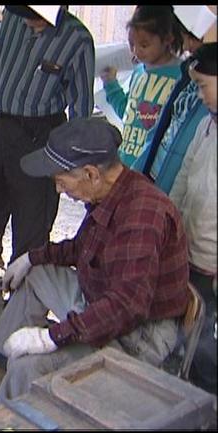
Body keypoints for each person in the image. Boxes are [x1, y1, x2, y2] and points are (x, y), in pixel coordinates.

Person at [0, 118, 189, 405]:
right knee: (36, 273)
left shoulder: (142, 215)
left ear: (91, 173)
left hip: (136, 335)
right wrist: (32, 257)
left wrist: (51, 338)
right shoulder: (110, 191)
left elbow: (126, 308)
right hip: (100, 296)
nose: (58, 189)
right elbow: (83, 249)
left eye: (60, 180)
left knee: (27, 367)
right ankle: (1, 348)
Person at [0, 5, 95, 268]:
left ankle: (24, 290)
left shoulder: (77, 39)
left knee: (32, 218)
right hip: (1, 124)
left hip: (41, 134)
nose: (29, 22)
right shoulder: (13, 18)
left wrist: (74, 153)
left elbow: (81, 104)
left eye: (36, 17)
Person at [168, 42, 217, 395]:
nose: (200, 95)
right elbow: (184, 175)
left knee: (210, 349)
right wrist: (170, 223)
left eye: (203, 86)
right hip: (191, 253)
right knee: (190, 336)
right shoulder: (207, 126)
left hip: (214, 266)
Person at [101, 6, 183, 171]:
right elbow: (128, 112)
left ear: (168, 39)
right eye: (131, 45)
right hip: (126, 164)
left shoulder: (181, 76)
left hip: (154, 170)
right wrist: (111, 84)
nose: (136, 51)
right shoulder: (138, 72)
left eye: (144, 45)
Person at [137, 16, 209, 194]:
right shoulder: (187, 74)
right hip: (158, 173)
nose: (186, 47)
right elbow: (161, 129)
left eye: (193, 38)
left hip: (182, 191)